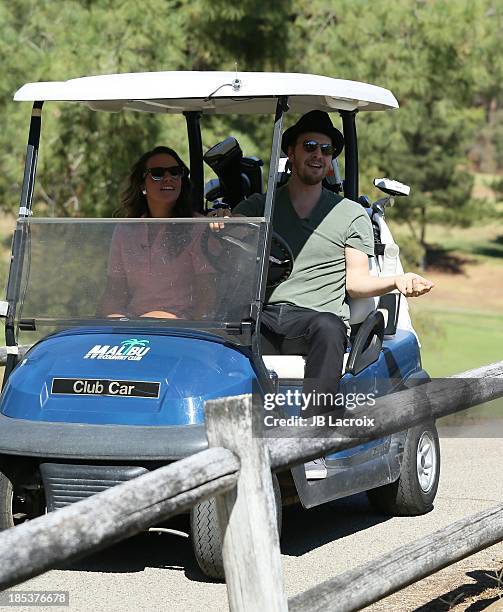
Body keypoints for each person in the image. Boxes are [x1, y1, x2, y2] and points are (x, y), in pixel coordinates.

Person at [211, 110, 434, 478]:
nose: (318, 155)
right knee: (219, 328)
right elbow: (224, 252)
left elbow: (357, 283)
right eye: (310, 146)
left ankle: (313, 441)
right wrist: (217, 220)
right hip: (265, 315)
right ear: (291, 152)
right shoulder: (260, 206)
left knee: (330, 329)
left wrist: (398, 281)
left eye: (326, 149)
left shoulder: (349, 214)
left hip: (314, 322)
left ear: (331, 159)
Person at [101, 146, 214, 319]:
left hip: (181, 330)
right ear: (141, 184)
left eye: (175, 172)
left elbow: (208, 298)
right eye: (158, 173)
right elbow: (114, 293)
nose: (168, 178)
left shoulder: (199, 228)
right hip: (134, 327)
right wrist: (111, 320)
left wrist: (194, 332)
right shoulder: (125, 230)